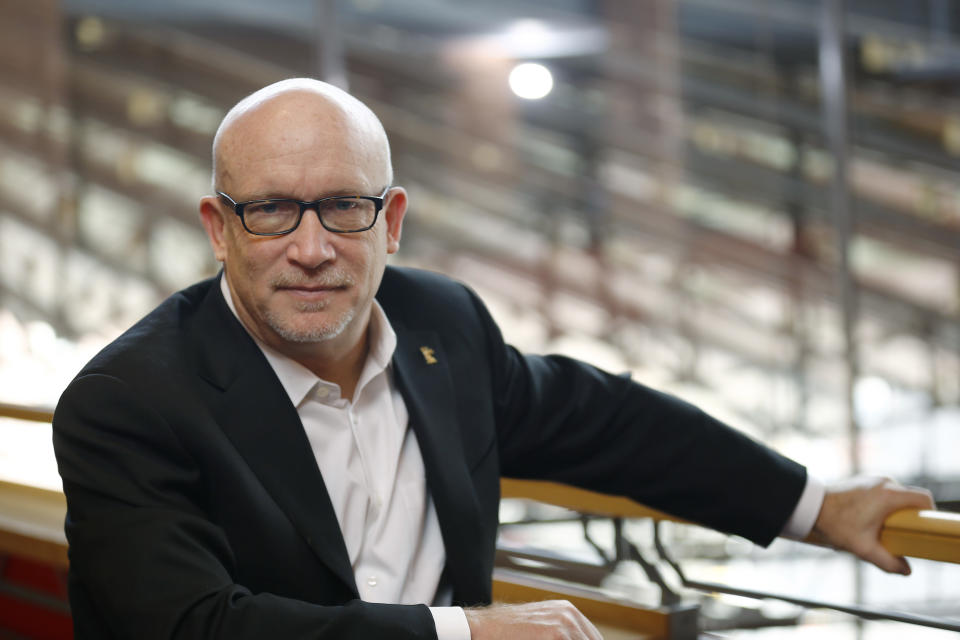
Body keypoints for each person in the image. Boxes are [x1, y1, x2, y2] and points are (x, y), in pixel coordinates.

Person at [52, 78, 933, 640]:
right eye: (273, 210)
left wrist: (819, 509)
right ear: (218, 228)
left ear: (392, 221)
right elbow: (189, 628)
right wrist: (467, 635)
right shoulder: (130, 401)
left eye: (344, 208)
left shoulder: (445, 325)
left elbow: (612, 424)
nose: (313, 248)